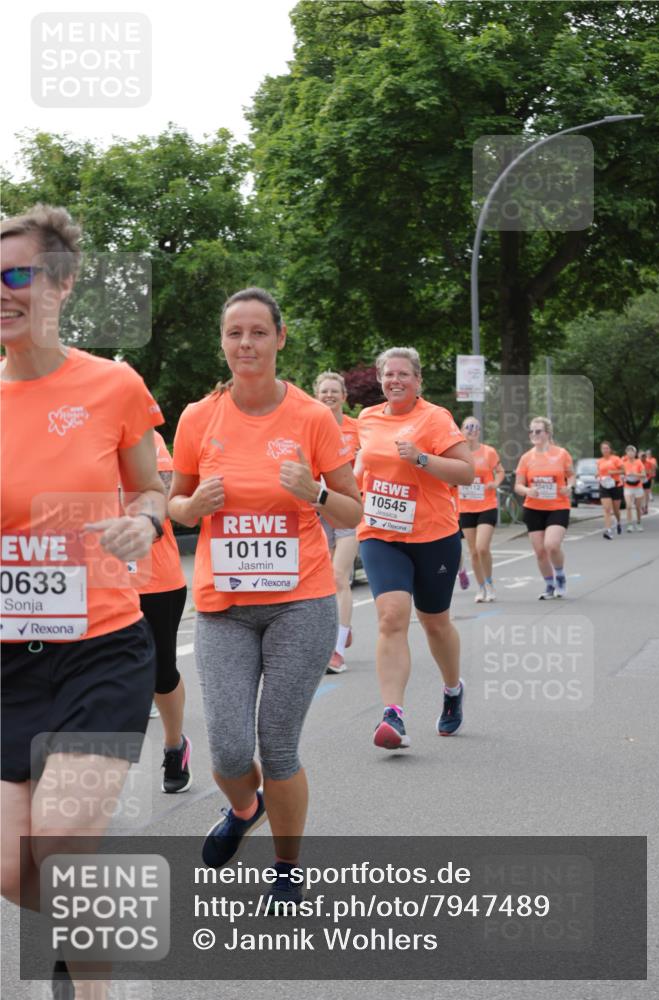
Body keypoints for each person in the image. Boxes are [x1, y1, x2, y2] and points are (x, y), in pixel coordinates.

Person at [1, 205, 165, 994]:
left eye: (16, 276)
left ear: (60, 285)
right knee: (9, 866)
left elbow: (151, 491)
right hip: (7, 663)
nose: (1, 293)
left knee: (61, 836)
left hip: (102, 647)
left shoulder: (112, 385)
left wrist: (142, 521)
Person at [168, 287, 361, 906]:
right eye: (234, 334)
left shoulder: (312, 418)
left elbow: (355, 509)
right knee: (227, 749)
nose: (245, 344)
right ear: (222, 343)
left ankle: (286, 865)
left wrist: (316, 493)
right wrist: (191, 508)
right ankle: (243, 807)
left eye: (257, 332)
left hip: (300, 602)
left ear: (280, 338)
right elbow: (173, 503)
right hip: (223, 606)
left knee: (277, 745)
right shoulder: (199, 417)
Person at [354, 347, 474, 750]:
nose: (396, 381)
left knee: (435, 621)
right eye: (389, 375)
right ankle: (394, 715)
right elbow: (360, 467)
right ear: (381, 379)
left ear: (418, 380)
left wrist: (421, 458)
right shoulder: (367, 419)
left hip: (433, 534)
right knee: (391, 617)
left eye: (404, 374)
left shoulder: (435, 418)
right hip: (380, 532)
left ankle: (452, 689)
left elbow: (466, 471)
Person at [130, 429, 191, 793]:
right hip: (93, 578)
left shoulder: (144, 437)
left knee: (161, 672)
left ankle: (174, 745)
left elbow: (164, 496)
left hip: (155, 577)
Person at [313, 371, 360, 674]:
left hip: (348, 512)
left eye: (334, 391)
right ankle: (343, 626)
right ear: (316, 396)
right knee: (322, 585)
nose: (329, 396)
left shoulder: (359, 429)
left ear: (344, 397)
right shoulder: (310, 426)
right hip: (317, 510)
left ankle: (337, 649)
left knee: (338, 577)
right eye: (323, 392)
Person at [514, 416, 575, 599]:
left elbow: (571, 475)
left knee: (552, 545)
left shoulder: (561, 454)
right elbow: (518, 485)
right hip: (533, 508)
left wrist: (569, 487)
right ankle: (549, 584)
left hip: (558, 505)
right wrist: (527, 490)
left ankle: (561, 576)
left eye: (538, 431)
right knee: (540, 551)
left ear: (547, 433)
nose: (534, 434)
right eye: (531, 431)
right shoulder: (526, 458)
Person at [457, 417, 505, 602]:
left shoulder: (489, 452)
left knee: (482, 547)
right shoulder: (457, 454)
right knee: (473, 551)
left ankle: (490, 583)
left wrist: (495, 483)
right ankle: (481, 587)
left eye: (476, 427)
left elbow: (500, 471)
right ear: (461, 430)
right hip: (466, 507)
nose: (472, 430)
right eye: (468, 427)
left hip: (487, 505)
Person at [597, 440, 624, 539]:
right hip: (604, 486)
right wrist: (598, 476)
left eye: (607, 448)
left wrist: (614, 472)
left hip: (616, 485)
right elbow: (599, 472)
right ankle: (608, 530)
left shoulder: (616, 459)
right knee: (607, 509)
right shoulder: (599, 461)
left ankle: (618, 522)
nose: (605, 450)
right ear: (601, 450)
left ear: (610, 449)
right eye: (603, 448)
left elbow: (624, 470)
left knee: (616, 510)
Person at [621, 445, 646, 532]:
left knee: (638, 507)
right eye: (628, 451)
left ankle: (639, 523)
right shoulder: (624, 463)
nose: (630, 453)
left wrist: (634, 474)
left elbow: (643, 474)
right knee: (628, 506)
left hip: (638, 486)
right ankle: (629, 524)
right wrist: (623, 476)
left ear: (635, 453)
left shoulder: (639, 462)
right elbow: (621, 474)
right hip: (628, 487)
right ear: (626, 453)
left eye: (632, 452)